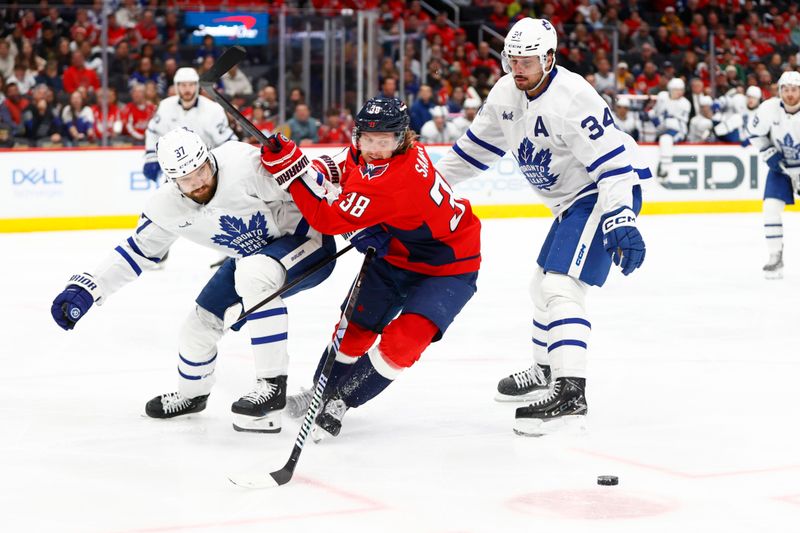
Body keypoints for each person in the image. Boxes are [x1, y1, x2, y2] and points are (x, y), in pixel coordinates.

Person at [434, 17, 649, 436]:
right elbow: (472, 153)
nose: (518, 68)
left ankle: (571, 393)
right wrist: (425, 188)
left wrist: (620, 214)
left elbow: (612, 163)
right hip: (571, 202)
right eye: (511, 59)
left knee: (561, 287)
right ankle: (546, 370)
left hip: (602, 192)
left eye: (527, 61)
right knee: (540, 288)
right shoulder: (505, 93)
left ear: (549, 58)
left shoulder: (574, 97)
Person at [50, 128, 337, 433]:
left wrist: (307, 169)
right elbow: (136, 252)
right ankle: (192, 395)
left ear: (209, 158)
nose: (200, 181)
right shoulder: (166, 207)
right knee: (198, 326)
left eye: (202, 170)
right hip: (253, 260)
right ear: (173, 181)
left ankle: (271, 386)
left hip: (307, 241)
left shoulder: (242, 162)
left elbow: (312, 189)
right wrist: (88, 287)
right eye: (187, 179)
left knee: (253, 272)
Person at [259, 96, 482, 441]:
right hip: (397, 253)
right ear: (358, 136)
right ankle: (321, 390)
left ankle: (339, 402)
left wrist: (291, 174)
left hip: (449, 265)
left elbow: (326, 218)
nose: (375, 149)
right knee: (354, 328)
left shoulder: (396, 178)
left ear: (403, 138)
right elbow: (344, 169)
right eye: (368, 140)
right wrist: (306, 168)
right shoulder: (382, 157)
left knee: (404, 342)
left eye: (385, 142)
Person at [746, 71, 800, 280]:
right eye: (785, 90)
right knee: (770, 208)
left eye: (794, 90)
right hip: (781, 168)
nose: (789, 94)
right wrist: (769, 152)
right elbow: (754, 133)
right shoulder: (769, 108)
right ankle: (775, 256)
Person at [142, 67, 236, 182]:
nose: (187, 89)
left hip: (206, 168)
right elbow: (153, 132)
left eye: (191, 85)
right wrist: (151, 158)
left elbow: (229, 142)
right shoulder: (165, 106)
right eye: (183, 85)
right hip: (175, 170)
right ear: (176, 87)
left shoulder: (213, 110)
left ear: (197, 86)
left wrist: (224, 165)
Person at [644, 77, 691, 182]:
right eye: (676, 90)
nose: (680, 92)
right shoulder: (662, 97)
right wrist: (650, 114)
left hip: (678, 130)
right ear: (670, 89)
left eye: (681, 90)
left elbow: (676, 123)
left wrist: (659, 121)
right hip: (662, 128)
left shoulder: (685, 103)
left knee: (666, 139)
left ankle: (665, 169)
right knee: (648, 133)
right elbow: (655, 112)